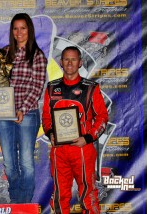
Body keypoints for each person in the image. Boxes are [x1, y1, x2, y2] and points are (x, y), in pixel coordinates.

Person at [42, 46, 108, 214]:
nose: (69, 63)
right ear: (61, 62)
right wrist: (50, 134)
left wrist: (87, 138)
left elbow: (102, 117)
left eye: (73, 59)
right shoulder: (51, 88)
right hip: (59, 150)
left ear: (80, 62)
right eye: (66, 59)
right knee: (59, 195)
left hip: (82, 149)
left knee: (88, 194)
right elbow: (46, 118)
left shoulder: (90, 88)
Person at [0, 13, 47, 203]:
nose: (19, 32)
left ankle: (23, 204)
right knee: (9, 164)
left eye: (23, 28)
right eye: (15, 28)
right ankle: (16, 200)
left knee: (26, 162)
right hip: (3, 114)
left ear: (29, 30)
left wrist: (22, 109)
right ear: (12, 31)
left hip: (28, 114)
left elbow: (37, 87)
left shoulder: (37, 55)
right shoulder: (4, 53)